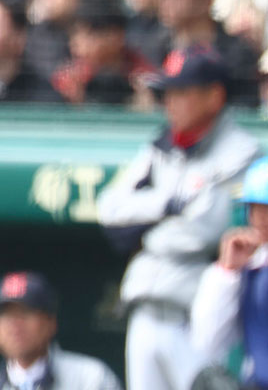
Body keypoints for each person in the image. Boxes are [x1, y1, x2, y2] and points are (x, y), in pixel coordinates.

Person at [97, 43, 261, 390]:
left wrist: (144, 230)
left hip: (198, 319)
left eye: (181, 92)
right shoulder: (161, 147)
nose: (169, 102)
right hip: (144, 311)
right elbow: (109, 208)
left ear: (214, 96)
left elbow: (202, 231)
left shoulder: (241, 152)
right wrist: (167, 205)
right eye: (167, 93)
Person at [191, 156, 268, 390]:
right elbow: (208, 342)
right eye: (257, 209)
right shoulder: (251, 269)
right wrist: (227, 272)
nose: (263, 218)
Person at [0, 271, 123, 390]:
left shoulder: (92, 378)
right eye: (6, 315)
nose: (16, 324)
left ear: (50, 323)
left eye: (25, 312)